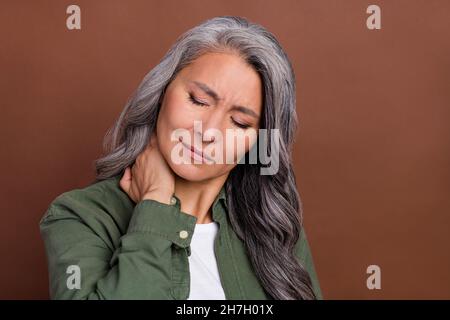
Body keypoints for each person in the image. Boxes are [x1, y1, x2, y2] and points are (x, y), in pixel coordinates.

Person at [40, 16, 323, 300]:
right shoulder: (81, 216)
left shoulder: (274, 225)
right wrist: (155, 204)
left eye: (239, 122)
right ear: (161, 91)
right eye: (198, 100)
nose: (209, 131)